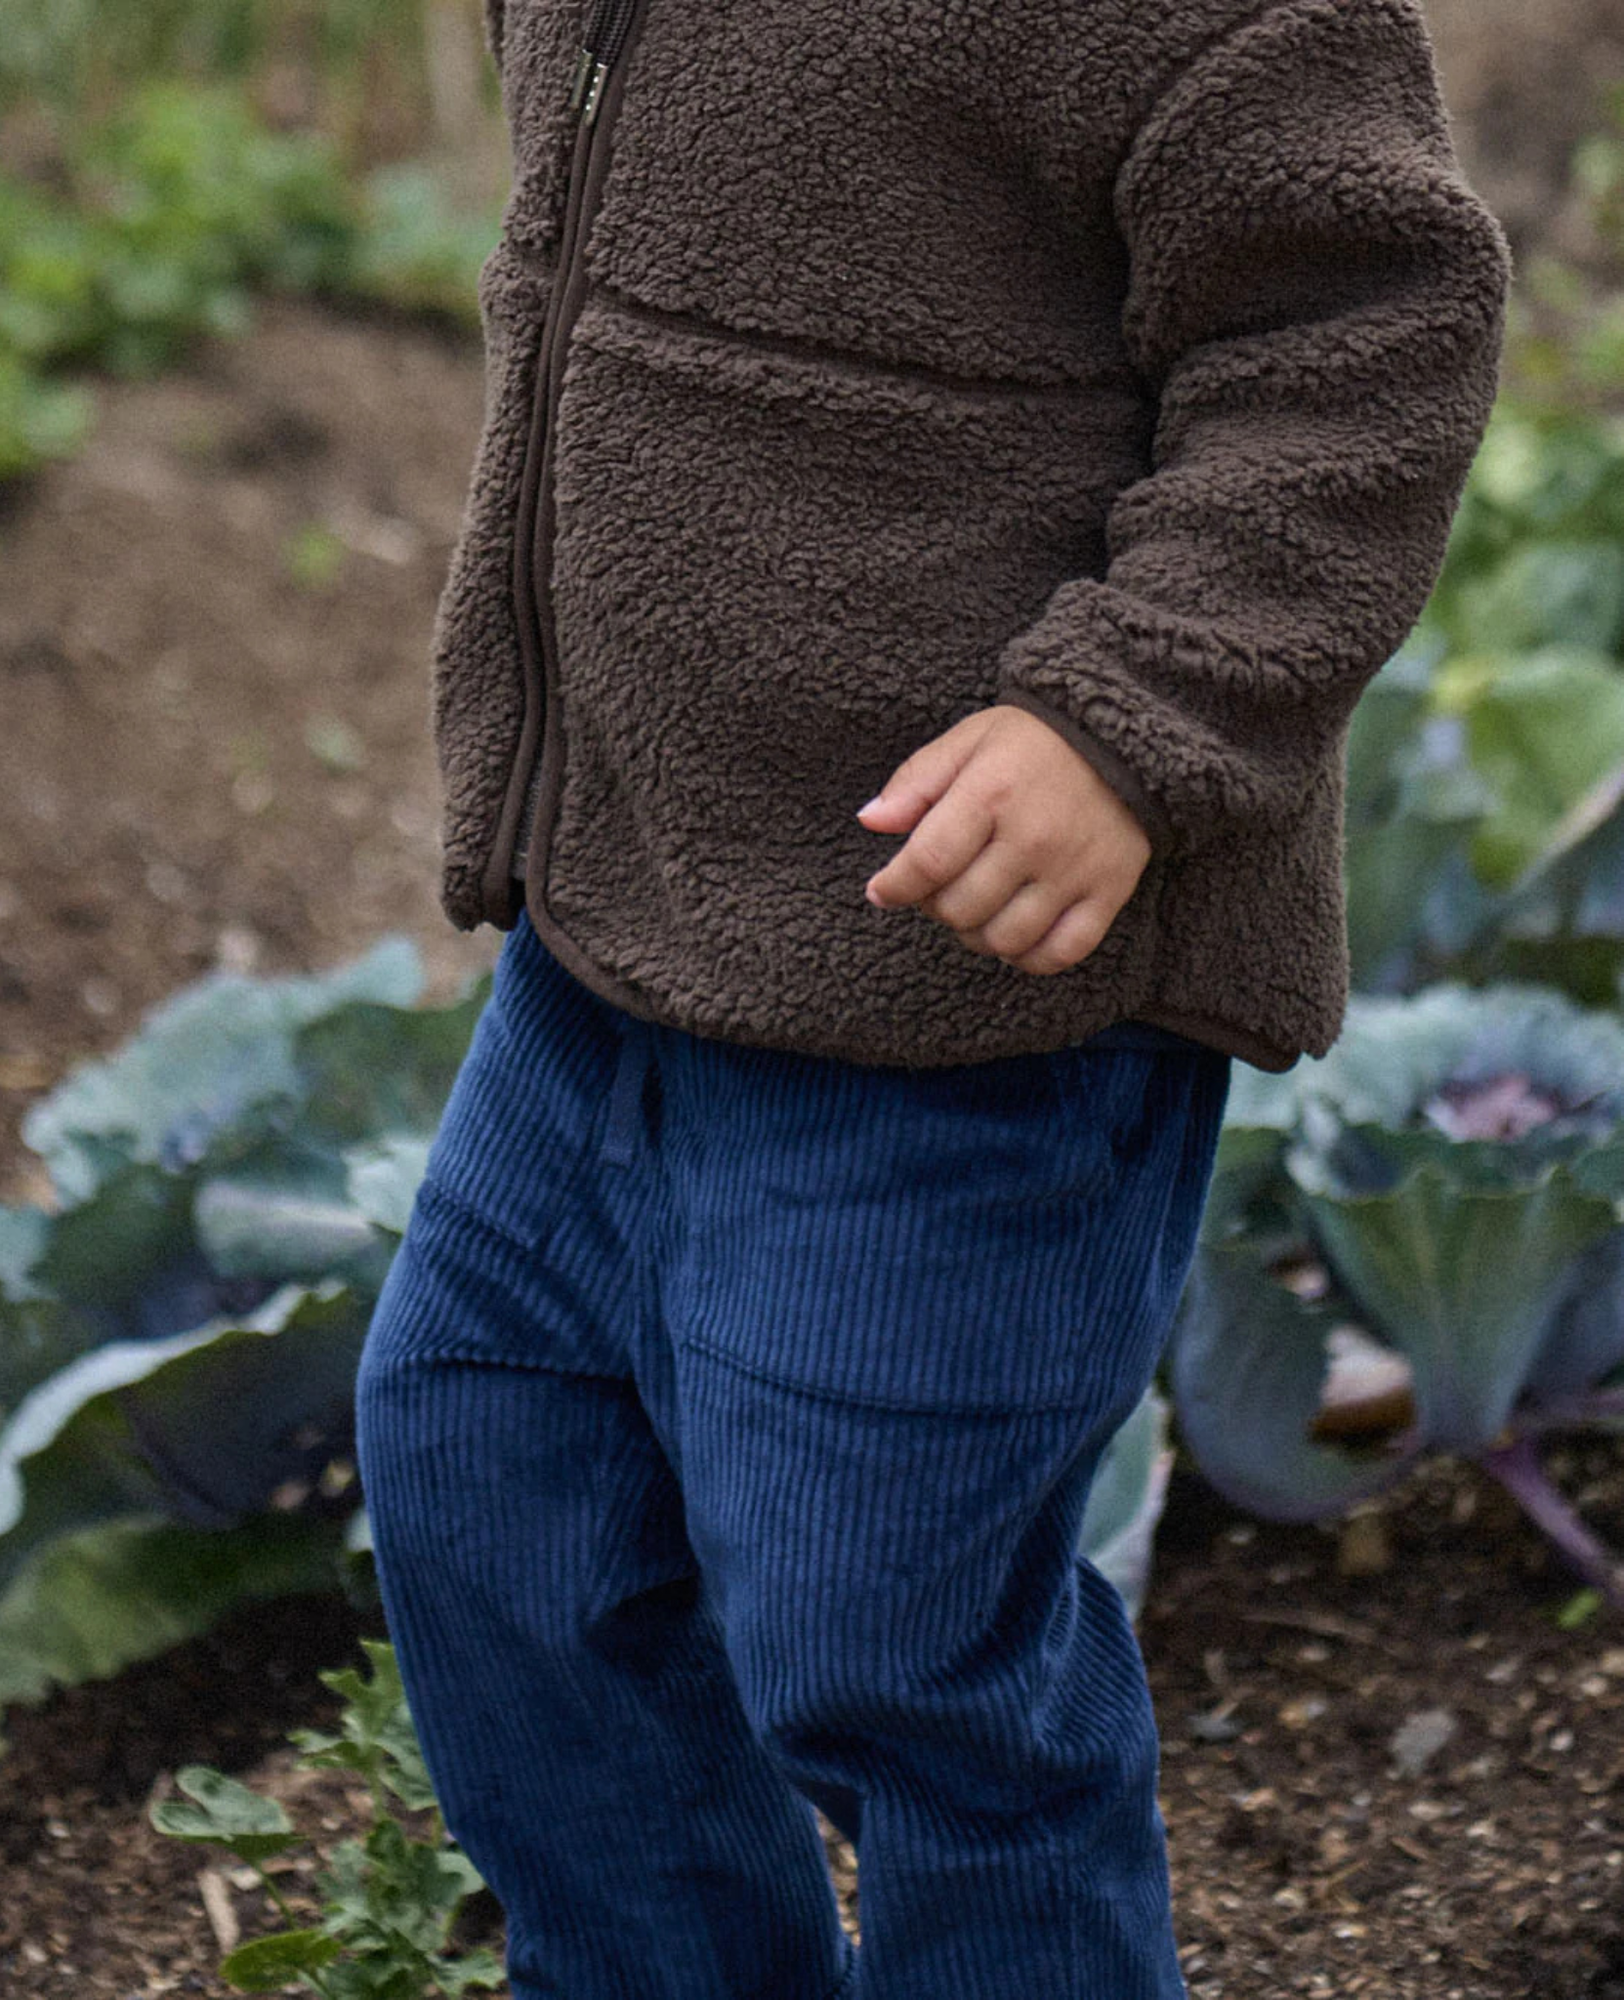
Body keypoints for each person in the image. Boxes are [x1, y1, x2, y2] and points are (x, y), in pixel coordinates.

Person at [354, 0, 1512, 1994]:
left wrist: (1129, 717)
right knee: (489, 1492)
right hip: (613, 940)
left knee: (888, 1647)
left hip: (961, 1012)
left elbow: (1366, 335)